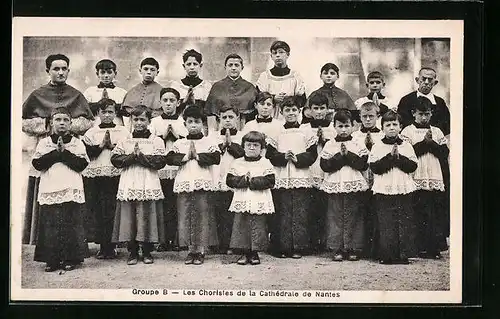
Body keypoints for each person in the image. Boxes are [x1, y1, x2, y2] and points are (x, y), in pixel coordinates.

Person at [22, 53, 94, 245]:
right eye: (56, 69)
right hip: (46, 145)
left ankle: (71, 245)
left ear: (68, 70)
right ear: (48, 71)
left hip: (70, 147)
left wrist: (68, 126)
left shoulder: (76, 94)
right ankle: (45, 243)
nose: (61, 72)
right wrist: (47, 124)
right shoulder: (37, 94)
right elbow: (23, 122)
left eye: (64, 69)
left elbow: (88, 121)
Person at [32, 107, 90, 272]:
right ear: (51, 123)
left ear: (71, 123)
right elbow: (37, 164)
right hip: (51, 187)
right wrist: (55, 153)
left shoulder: (77, 143)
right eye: (58, 120)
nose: (62, 123)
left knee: (70, 224)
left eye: (65, 120)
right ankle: (52, 260)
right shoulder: (44, 142)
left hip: (71, 188)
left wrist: (64, 153)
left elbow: (82, 164)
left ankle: (71, 258)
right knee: (50, 225)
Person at [397, 67, 450, 239]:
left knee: (435, 202)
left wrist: (432, 139)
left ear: (435, 82)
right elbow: (402, 127)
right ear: (417, 80)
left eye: (430, 80)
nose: (426, 82)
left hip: (434, 161)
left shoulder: (440, 103)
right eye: (423, 79)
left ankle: (436, 240)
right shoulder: (406, 100)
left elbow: (445, 127)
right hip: (415, 158)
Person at [110, 105, 167, 265]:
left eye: (142, 119)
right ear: (131, 121)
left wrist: (141, 157)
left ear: (149, 121)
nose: (139, 123)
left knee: (146, 215)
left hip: (148, 181)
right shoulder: (125, 140)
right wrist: (132, 157)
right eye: (136, 119)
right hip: (130, 181)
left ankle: (147, 251)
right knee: (130, 216)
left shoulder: (156, 140)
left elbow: (160, 162)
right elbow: (115, 160)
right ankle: (133, 252)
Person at [165, 105, 221, 265]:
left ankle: (201, 250)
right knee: (186, 216)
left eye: (197, 122)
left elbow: (216, 157)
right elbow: (169, 158)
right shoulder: (180, 143)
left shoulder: (208, 141)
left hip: (202, 183)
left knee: (201, 216)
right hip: (184, 183)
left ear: (203, 124)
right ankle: (191, 250)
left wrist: (197, 156)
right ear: (185, 124)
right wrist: (184, 157)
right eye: (190, 122)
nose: (194, 125)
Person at [266, 97, 317, 259]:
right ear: (281, 112)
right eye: (287, 110)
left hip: (300, 175)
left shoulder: (306, 131)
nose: (291, 113)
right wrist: (283, 156)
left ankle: (298, 247)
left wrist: (297, 159)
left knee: (300, 212)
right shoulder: (276, 131)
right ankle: (282, 247)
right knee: (283, 212)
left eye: (294, 110)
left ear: (299, 111)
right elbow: (270, 154)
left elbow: (312, 154)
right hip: (282, 175)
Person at [81, 98, 131, 259]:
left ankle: (113, 246)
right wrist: (101, 146)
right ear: (98, 114)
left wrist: (113, 147)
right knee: (98, 210)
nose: (107, 115)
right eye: (103, 112)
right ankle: (102, 246)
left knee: (112, 210)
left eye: (110, 112)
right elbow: (85, 153)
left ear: (115, 113)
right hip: (96, 175)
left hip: (115, 175)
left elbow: (127, 150)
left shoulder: (123, 131)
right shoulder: (92, 132)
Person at [401, 97, 449, 259]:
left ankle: (433, 247)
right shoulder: (408, 131)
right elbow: (407, 153)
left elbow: (444, 153)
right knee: (418, 212)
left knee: (434, 213)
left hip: (433, 176)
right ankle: (418, 247)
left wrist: (432, 144)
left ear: (431, 114)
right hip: (417, 177)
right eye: (420, 114)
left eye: (427, 114)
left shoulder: (437, 131)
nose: (424, 117)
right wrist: (425, 143)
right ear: (413, 113)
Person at [369, 111, 418, 265]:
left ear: (400, 127)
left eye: (395, 124)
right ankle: (387, 255)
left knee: (403, 220)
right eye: (388, 125)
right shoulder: (378, 146)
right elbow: (375, 167)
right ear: (382, 127)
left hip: (403, 188)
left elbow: (412, 166)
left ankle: (403, 254)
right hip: (384, 189)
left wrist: (399, 158)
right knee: (386, 222)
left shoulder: (407, 146)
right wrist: (390, 158)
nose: (391, 128)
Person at [320, 109, 369, 261]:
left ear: (353, 126)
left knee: (353, 215)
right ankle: (337, 248)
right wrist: (339, 157)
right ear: (334, 126)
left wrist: (348, 155)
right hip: (335, 184)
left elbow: (363, 164)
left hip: (353, 184)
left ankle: (352, 247)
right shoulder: (330, 144)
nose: (343, 130)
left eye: (347, 126)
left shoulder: (357, 143)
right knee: (335, 216)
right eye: (340, 126)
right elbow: (325, 166)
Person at [227, 131, 276, 265]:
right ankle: (243, 252)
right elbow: (229, 180)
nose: (252, 148)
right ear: (243, 146)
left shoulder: (265, 163)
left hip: (258, 198)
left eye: (256, 145)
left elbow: (270, 181)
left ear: (262, 148)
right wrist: (243, 180)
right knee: (241, 224)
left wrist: (252, 181)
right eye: (249, 145)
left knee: (258, 225)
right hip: (242, 198)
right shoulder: (237, 163)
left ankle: (254, 253)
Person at [149, 88, 188, 252]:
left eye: (172, 100)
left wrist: (177, 137)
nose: (168, 104)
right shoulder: (155, 122)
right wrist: (163, 137)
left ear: (178, 103)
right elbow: (148, 141)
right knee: (163, 204)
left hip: (177, 168)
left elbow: (188, 141)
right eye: (165, 100)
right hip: (161, 168)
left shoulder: (183, 121)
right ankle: (163, 240)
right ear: (160, 103)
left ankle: (178, 239)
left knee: (177, 204)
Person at [300, 92, 337, 252]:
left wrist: (325, 142)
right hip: (310, 169)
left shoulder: (333, 128)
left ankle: (324, 241)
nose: (319, 112)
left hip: (326, 171)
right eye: (316, 108)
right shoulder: (304, 128)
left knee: (325, 208)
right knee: (310, 208)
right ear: (310, 110)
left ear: (328, 109)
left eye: (322, 108)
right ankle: (311, 242)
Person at [351, 101, 385, 258]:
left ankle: (376, 248)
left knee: (377, 213)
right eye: (364, 116)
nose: (368, 119)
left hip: (379, 179)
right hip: (361, 177)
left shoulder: (383, 135)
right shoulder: (355, 136)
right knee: (360, 212)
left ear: (378, 116)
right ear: (360, 117)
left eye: (371, 116)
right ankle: (360, 247)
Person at [211, 105, 245, 254]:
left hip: (234, 179)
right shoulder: (212, 136)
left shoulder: (243, 136)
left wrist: (230, 145)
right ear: (219, 119)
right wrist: (222, 145)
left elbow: (243, 154)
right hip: (218, 177)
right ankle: (220, 244)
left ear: (237, 119)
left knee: (234, 213)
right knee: (219, 212)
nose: (227, 121)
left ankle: (234, 244)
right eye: (224, 117)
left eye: (231, 117)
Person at [255, 41, 306, 120]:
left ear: (288, 55)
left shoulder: (295, 76)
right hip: (270, 115)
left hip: (290, 115)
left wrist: (288, 100)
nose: (278, 55)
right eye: (274, 53)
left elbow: (302, 100)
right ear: (271, 56)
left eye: (281, 52)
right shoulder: (265, 76)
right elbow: (258, 98)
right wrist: (273, 98)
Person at [205, 54, 257, 131]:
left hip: (244, 127)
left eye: (236, 65)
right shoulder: (217, 87)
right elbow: (210, 114)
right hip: (221, 128)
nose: (233, 68)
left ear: (242, 68)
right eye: (230, 65)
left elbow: (254, 114)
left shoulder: (250, 87)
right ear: (225, 67)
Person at [83, 59, 128, 127]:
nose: (106, 76)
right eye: (103, 72)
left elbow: (126, 113)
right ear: (97, 74)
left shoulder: (122, 92)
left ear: (115, 74)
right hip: (95, 127)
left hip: (117, 127)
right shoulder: (89, 92)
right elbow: (85, 111)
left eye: (109, 72)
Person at [121, 57, 164, 128]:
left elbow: (161, 111)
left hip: (153, 124)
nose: (149, 72)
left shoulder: (161, 91)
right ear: (140, 71)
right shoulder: (133, 90)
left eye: (152, 70)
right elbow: (127, 110)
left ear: (157, 72)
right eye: (146, 69)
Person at [170, 49, 212, 116]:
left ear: (200, 65)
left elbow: (209, 110)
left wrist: (195, 103)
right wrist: (184, 102)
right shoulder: (176, 85)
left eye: (195, 64)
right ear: (184, 66)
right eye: (189, 64)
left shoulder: (206, 86)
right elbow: (171, 109)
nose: (192, 67)